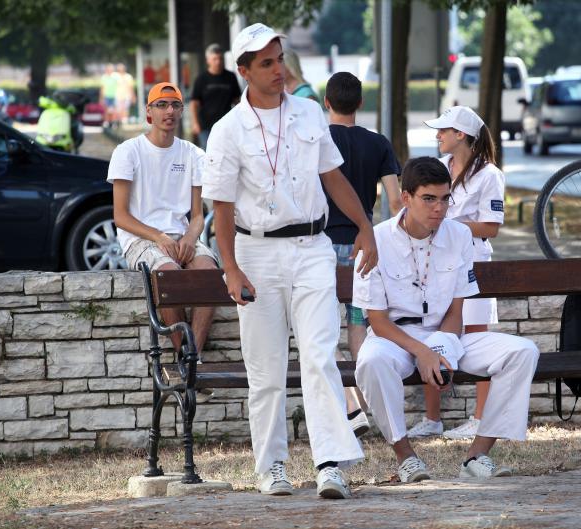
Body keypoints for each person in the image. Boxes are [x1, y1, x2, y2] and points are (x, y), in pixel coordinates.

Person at [201, 23, 378, 500]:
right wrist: (231, 269)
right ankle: (273, 466)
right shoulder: (226, 131)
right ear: (244, 72)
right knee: (266, 370)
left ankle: (329, 464)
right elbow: (221, 207)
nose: (279, 70)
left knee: (320, 357)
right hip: (255, 252)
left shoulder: (308, 112)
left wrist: (364, 226)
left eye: (280, 58)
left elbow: (333, 176)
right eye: (267, 63)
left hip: (313, 248)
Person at [353, 156, 539, 482]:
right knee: (370, 362)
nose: (439, 208)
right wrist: (422, 352)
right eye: (429, 199)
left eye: (444, 199)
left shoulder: (459, 236)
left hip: (447, 335)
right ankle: (406, 456)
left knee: (523, 351)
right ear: (406, 198)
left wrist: (439, 347)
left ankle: (477, 456)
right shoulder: (377, 240)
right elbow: (378, 321)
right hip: (393, 338)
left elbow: (456, 311)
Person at [108, 82, 218, 393]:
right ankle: (186, 357)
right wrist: (159, 237)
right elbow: (121, 216)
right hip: (141, 237)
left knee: (210, 276)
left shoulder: (194, 153)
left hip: (181, 235)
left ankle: (190, 357)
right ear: (148, 112)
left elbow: (198, 216)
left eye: (175, 105)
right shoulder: (127, 152)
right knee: (169, 277)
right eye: (161, 105)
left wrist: (188, 237)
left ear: (182, 111)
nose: (169, 111)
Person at [407, 106, 505, 440]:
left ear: (460, 135)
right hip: (436, 261)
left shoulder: (489, 175)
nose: (438, 136)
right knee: (432, 333)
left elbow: (491, 227)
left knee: (477, 337)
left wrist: (451, 225)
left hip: (475, 264)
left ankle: (480, 419)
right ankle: (432, 419)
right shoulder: (441, 169)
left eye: (443, 131)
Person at [324, 71, 402, 436]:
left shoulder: (317, 141)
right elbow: (397, 199)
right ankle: (365, 407)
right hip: (365, 246)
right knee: (359, 324)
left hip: (321, 245)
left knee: (321, 331)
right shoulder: (379, 143)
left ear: (326, 103)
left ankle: (352, 407)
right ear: (360, 103)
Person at [190, 43, 242, 148]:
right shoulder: (201, 79)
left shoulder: (231, 77)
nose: (218, 62)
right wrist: (195, 123)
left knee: (226, 153)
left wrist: (241, 120)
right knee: (208, 153)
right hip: (205, 126)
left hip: (226, 125)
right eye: (214, 59)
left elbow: (238, 101)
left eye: (220, 58)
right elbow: (194, 103)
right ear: (208, 60)